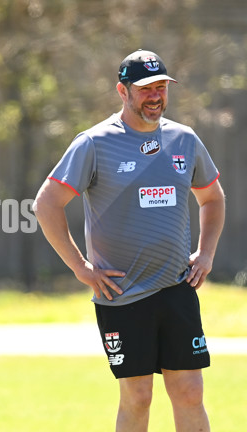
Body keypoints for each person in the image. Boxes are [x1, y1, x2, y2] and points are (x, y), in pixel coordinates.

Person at [33, 49, 225, 431]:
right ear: (122, 91)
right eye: (145, 89)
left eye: (161, 87)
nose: (155, 95)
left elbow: (213, 197)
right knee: (137, 396)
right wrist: (81, 268)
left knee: (189, 392)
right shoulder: (94, 142)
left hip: (177, 287)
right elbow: (46, 205)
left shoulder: (184, 139)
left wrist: (205, 253)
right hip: (121, 293)